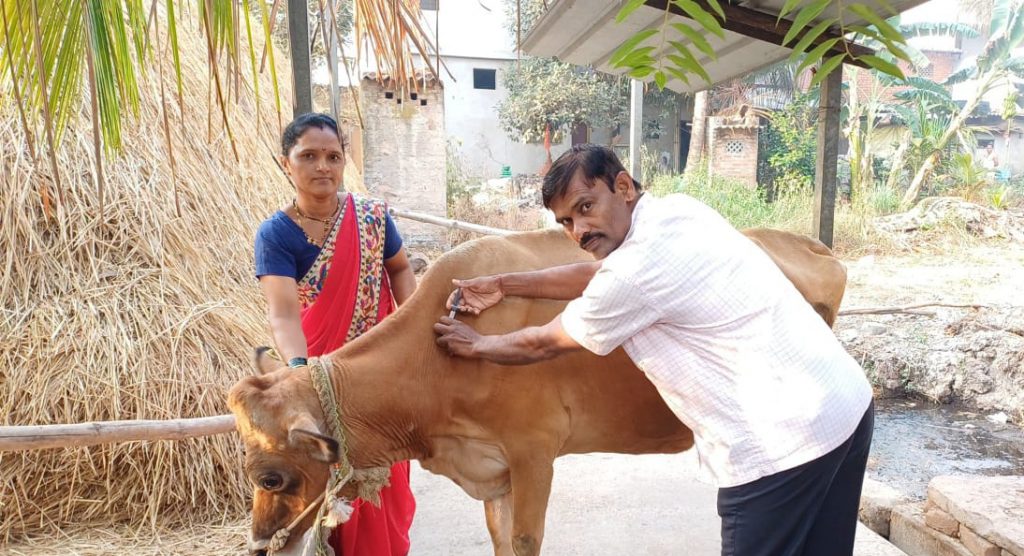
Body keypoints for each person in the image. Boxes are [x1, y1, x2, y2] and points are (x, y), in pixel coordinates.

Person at [433, 144, 874, 556]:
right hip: (847, 406)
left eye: (585, 207)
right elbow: (599, 274)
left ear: (623, 187)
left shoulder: (634, 276)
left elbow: (543, 341)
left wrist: (478, 345)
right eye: (566, 222)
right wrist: (505, 283)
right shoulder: (677, 211)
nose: (579, 230)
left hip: (781, 447)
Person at [254, 113, 417, 555]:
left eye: (333, 156)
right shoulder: (275, 235)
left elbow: (400, 270)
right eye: (308, 156)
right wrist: (300, 375)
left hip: (379, 369)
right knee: (324, 482)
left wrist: (410, 331)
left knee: (384, 477)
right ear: (285, 163)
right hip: (319, 374)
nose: (322, 166)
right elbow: (284, 315)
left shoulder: (371, 218)